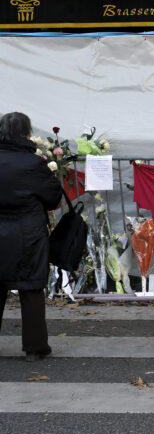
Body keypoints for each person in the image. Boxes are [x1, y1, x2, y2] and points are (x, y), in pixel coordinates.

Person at [0, 112, 63, 361]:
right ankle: (35, 348)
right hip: (27, 235)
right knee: (31, 289)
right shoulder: (32, 163)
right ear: (27, 134)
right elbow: (53, 198)